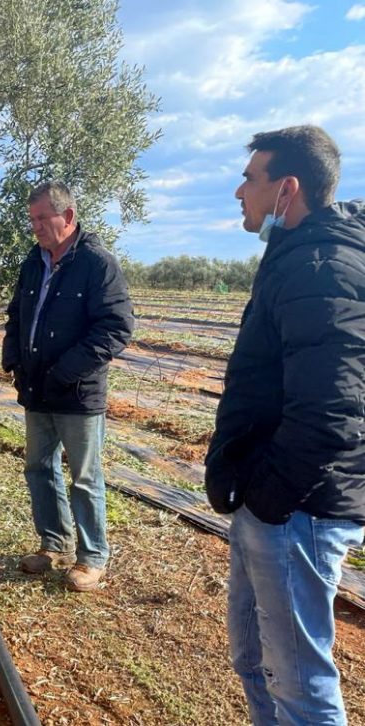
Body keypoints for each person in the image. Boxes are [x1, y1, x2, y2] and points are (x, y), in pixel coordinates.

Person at [205, 125, 365, 725]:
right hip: (274, 504)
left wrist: (267, 499)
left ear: (286, 189)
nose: (238, 191)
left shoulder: (321, 268)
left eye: (251, 178)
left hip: (297, 512)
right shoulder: (296, 256)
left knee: (301, 686)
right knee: (258, 664)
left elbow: (332, 413)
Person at [2, 181, 134, 592]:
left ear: (69, 216)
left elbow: (116, 328)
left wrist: (64, 371)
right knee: (38, 467)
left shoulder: (97, 264)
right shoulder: (33, 261)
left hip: (77, 394)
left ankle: (92, 557)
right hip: (36, 389)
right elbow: (16, 315)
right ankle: (52, 543)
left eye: (43, 218)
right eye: (33, 220)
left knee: (84, 477)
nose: (36, 227)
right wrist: (14, 360)